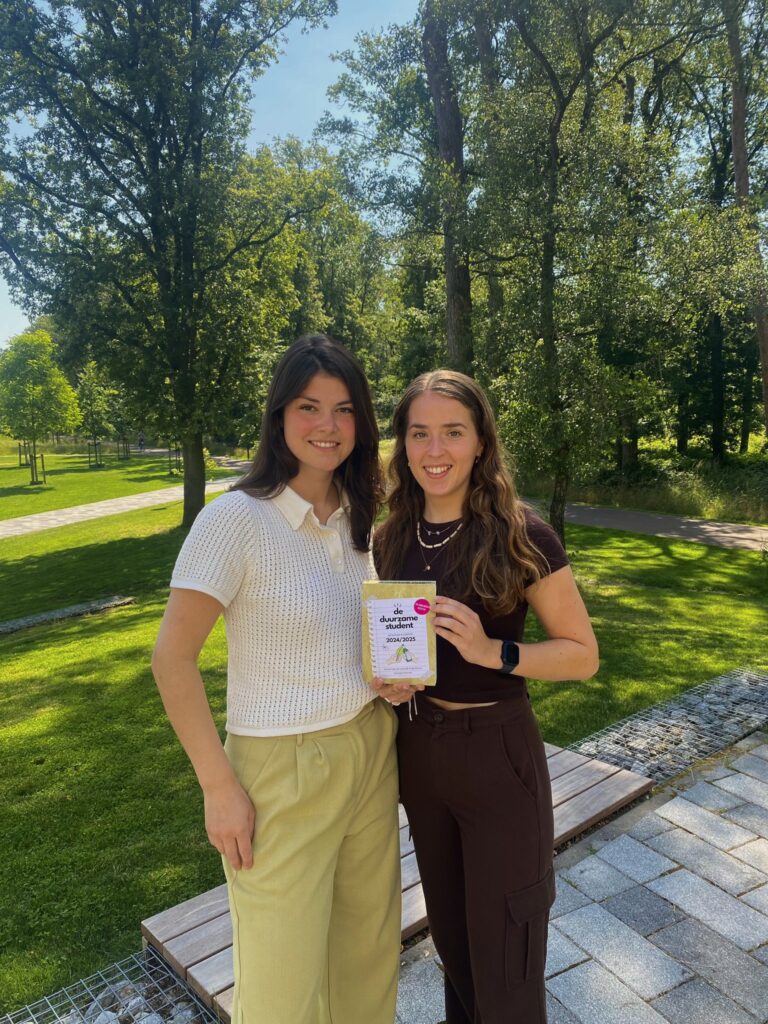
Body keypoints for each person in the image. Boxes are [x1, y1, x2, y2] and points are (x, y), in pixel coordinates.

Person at [151, 335, 401, 1024]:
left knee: (369, 958)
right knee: (281, 989)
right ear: (279, 416)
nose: (328, 426)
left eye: (345, 409)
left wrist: (387, 677)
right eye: (309, 406)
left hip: (369, 749)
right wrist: (217, 786)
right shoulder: (234, 521)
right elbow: (171, 661)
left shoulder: (356, 519)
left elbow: (347, 633)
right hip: (278, 770)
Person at [373, 370, 599, 1024]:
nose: (434, 449)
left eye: (452, 431)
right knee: (457, 958)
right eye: (420, 433)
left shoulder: (521, 534)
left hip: (499, 759)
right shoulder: (390, 538)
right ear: (403, 444)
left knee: (506, 967)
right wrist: (386, 683)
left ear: (480, 442)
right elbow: (387, 649)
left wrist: (492, 652)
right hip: (419, 754)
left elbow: (582, 654)